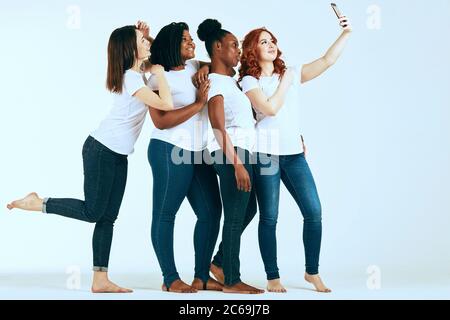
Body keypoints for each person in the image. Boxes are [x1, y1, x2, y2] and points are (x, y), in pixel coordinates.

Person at [6, 21, 174, 293]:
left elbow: (154, 53)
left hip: (117, 154)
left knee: (108, 217)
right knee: (94, 211)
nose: (147, 43)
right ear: (130, 48)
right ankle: (39, 202)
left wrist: (146, 36)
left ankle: (100, 279)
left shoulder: (135, 73)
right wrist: (160, 74)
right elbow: (166, 104)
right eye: (141, 40)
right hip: (101, 150)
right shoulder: (133, 78)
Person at [236, 14, 352, 293]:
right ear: (253, 49)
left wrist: (345, 34)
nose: (271, 44)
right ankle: (272, 276)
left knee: (314, 212)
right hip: (265, 155)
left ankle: (312, 272)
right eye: (264, 42)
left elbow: (327, 61)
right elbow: (269, 109)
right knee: (270, 217)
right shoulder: (250, 82)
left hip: (294, 154)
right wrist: (287, 80)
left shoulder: (290, 72)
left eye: (272, 40)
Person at [147, 22, 223, 293]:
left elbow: (223, 64)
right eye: (186, 40)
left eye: (192, 39)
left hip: (198, 152)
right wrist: (198, 105)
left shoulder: (192, 67)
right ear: (172, 46)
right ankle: (170, 279)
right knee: (166, 215)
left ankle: (201, 276)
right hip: (168, 150)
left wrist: (205, 67)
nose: (192, 43)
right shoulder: (158, 78)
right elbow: (161, 121)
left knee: (211, 212)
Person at [197, 18, 264, 294]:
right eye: (233, 45)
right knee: (235, 215)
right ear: (217, 48)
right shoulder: (215, 83)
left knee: (248, 209)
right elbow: (217, 126)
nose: (238, 50)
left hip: (240, 151)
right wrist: (237, 164)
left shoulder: (229, 81)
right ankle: (232, 280)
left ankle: (221, 263)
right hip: (230, 152)